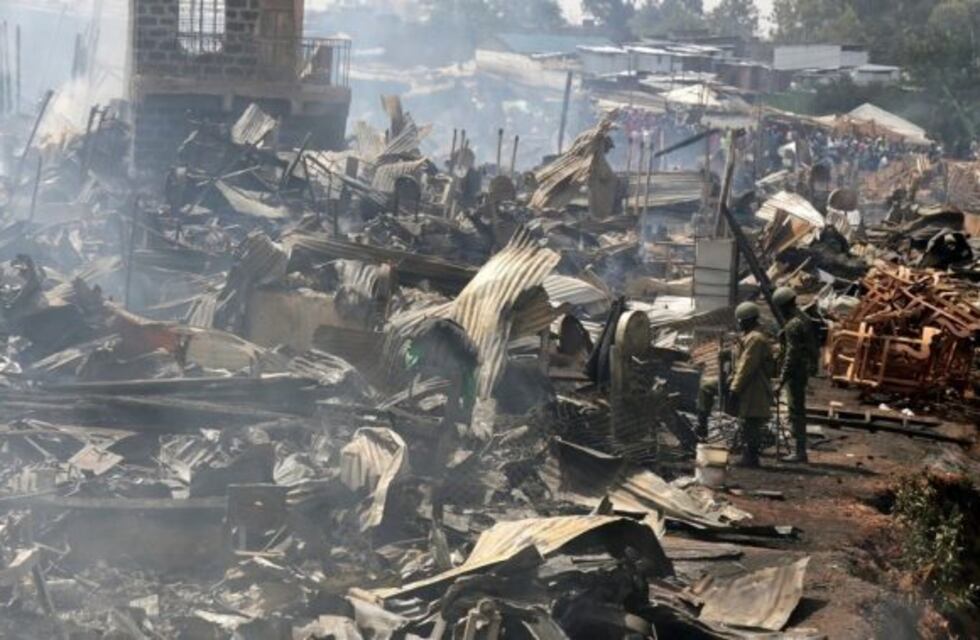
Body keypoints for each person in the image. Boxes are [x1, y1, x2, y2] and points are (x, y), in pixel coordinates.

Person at [773, 287, 820, 463]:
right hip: (803, 368)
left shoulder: (793, 324)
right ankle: (799, 450)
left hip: (796, 371)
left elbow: (791, 354)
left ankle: (800, 452)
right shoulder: (804, 318)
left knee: (796, 411)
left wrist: (781, 379)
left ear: (782, 306)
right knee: (798, 410)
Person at [729, 302, 775, 468]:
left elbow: (746, 366)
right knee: (748, 421)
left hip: (755, 386)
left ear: (747, 320)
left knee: (752, 422)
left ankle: (751, 457)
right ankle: (749, 456)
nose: (739, 324)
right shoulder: (750, 337)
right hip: (751, 385)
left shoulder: (755, 339)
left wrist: (734, 388)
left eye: (741, 321)